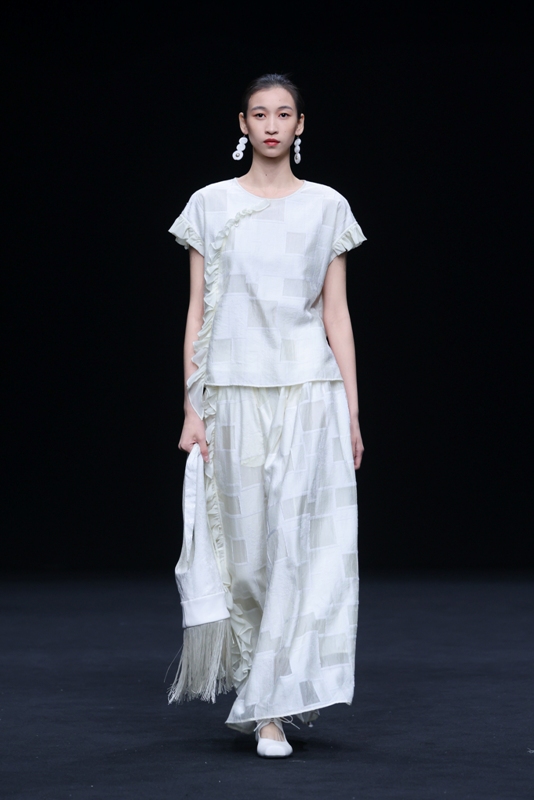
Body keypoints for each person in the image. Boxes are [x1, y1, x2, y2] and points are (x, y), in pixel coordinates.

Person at [168, 74, 366, 758]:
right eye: (261, 114)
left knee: (302, 549)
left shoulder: (327, 206)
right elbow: (198, 310)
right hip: (232, 391)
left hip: (309, 389)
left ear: (301, 124)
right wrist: (191, 404)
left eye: (284, 114)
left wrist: (353, 412)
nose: (273, 124)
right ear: (243, 123)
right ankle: (259, 682)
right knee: (248, 556)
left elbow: (336, 313)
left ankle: (271, 709)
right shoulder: (210, 204)